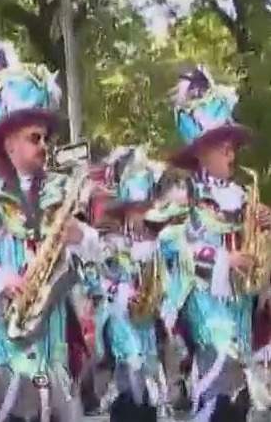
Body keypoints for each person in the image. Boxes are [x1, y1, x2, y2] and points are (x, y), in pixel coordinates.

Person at [0, 39, 101, 422]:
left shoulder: (64, 192)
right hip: (5, 335)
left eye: (46, 137)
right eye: (34, 138)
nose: (44, 146)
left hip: (54, 335)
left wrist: (83, 239)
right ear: (9, 142)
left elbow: (97, 263)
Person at [144, 66, 271, 421]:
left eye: (233, 149)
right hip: (202, 300)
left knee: (238, 396)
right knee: (220, 372)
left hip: (240, 304)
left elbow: (260, 258)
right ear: (201, 152)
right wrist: (221, 259)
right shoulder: (182, 195)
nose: (232, 156)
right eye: (224, 149)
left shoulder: (243, 196)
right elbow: (167, 244)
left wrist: (265, 229)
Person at [85, 146, 170, 421]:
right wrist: (122, 292)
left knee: (149, 387)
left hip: (147, 327)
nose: (141, 215)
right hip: (119, 320)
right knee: (129, 383)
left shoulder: (155, 245)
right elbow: (96, 280)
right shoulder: (108, 242)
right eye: (137, 209)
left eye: (145, 208)